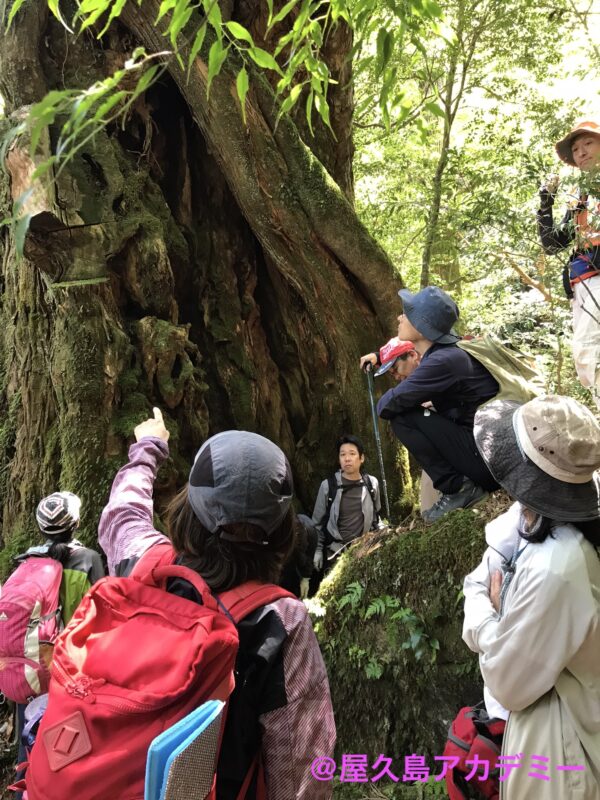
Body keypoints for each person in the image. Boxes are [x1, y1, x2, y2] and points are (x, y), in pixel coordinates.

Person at [98, 409, 335, 799]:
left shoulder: (145, 564)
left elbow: (121, 516)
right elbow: (299, 775)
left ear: (187, 507)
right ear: (281, 529)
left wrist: (148, 449)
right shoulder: (281, 622)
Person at [462, 394, 600, 799]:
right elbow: (482, 572)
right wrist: (492, 610)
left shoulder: (557, 567)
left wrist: (488, 623)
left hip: (559, 746)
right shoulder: (546, 520)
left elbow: (508, 682)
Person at [361, 286, 499, 523]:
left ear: (422, 327)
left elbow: (385, 406)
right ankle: (458, 486)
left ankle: (458, 489)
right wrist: (380, 355)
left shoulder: (442, 361)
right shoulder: (449, 352)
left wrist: (412, 399)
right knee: (414, 409)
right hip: (488, 454)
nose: (399, 317)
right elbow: (403, 350)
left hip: (485, 463)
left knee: (403, 415)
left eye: (407, 313)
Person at [13, 491, 104, 798]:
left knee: (26, 748)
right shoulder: (88, 560)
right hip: (69, 668)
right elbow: (103, 613)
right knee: (65, 750)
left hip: (28, 666)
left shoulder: (24, 561)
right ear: (76, 523)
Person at [537, 119, 600, 408]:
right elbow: (553, 244)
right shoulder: (580, 198)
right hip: (583, 287)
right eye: (576, 148)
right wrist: (545, 204)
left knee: (593, 354)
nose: (582, 152)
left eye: (589, 143)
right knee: (588, 358)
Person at [311, 434, 382, 575]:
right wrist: (318, 551)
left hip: (365, 550)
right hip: (336, 553)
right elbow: (316, 523)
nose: (347, 458)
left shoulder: (371, 484)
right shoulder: (328, 486)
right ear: (339, 459)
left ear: (362, 458)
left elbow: (376, 516)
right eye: (342, 454)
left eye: (352, 454)